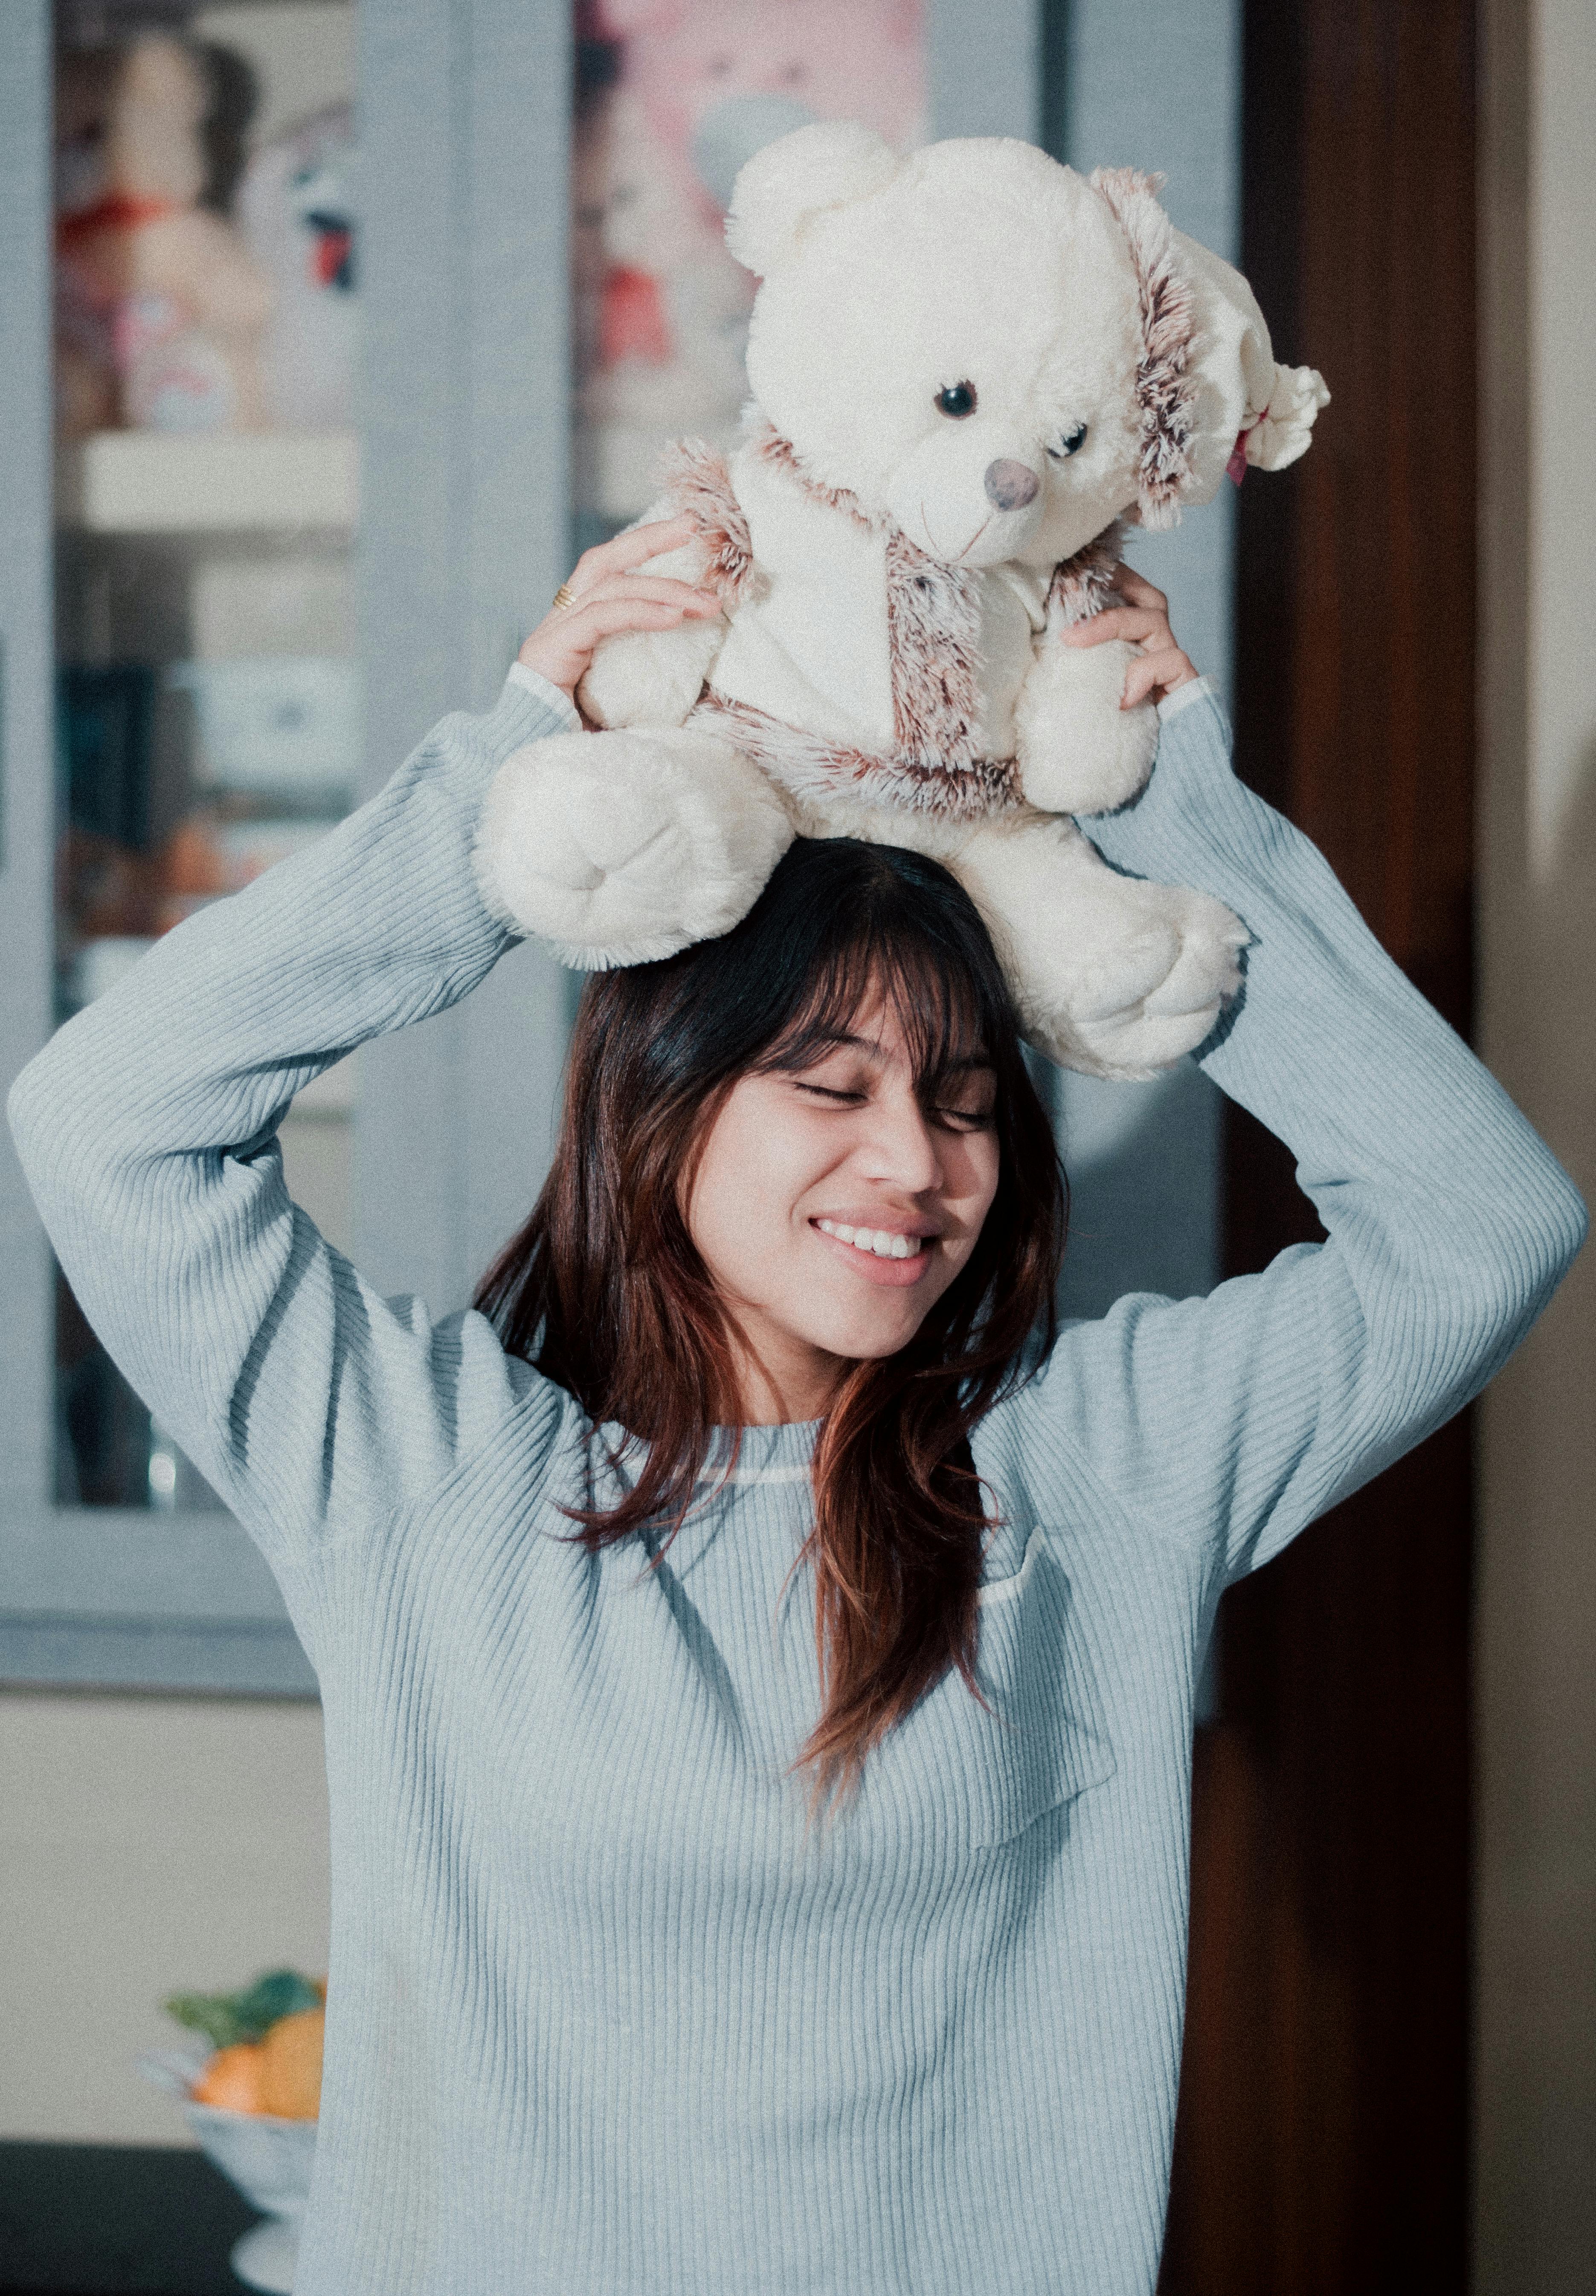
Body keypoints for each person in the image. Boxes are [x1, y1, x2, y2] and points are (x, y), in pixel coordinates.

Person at [9, 520, 1584, 2295]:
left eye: (966, 1100)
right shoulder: (425, 1473)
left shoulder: (1095, 1467)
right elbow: (104, 1119)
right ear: (661, 1109)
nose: (914, 1162)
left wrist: (1156, 819)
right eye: (825, 1084)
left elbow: (1485, 1224)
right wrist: (512, 793)